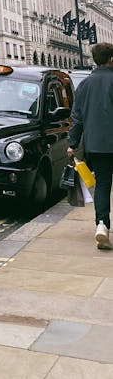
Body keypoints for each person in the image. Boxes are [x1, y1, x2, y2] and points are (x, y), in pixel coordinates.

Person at [67, 41, 113, 250]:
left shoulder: (84, 85)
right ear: (111, 59)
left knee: (102, 186)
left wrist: (72, 143)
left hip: (97, 145)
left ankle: (102, 225)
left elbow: (77, 119)